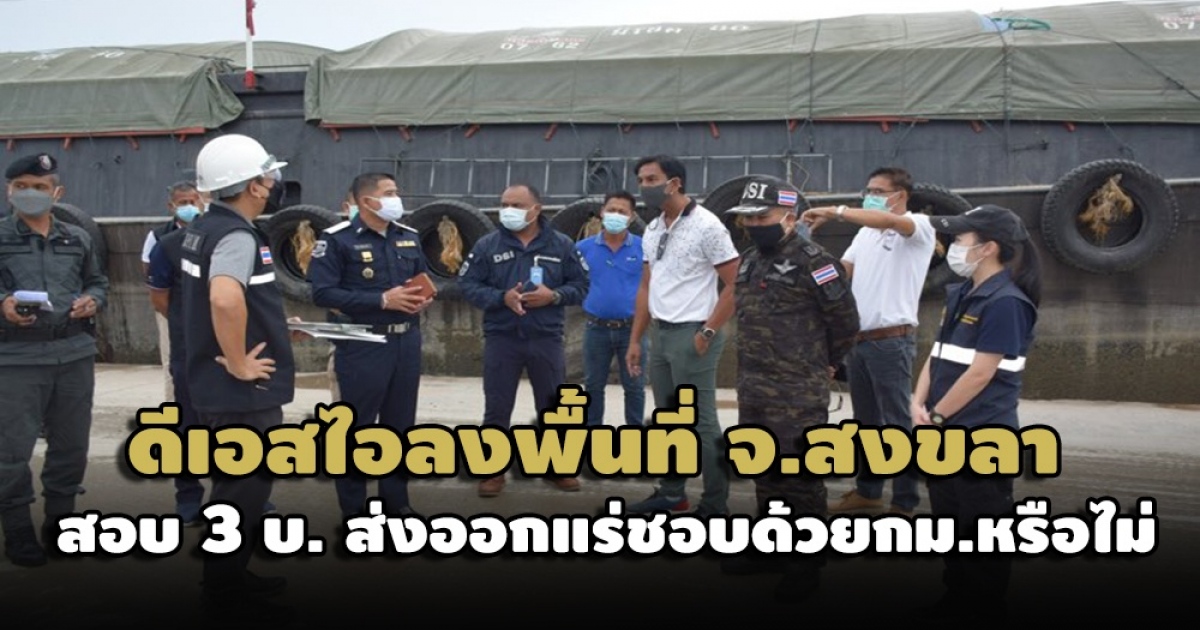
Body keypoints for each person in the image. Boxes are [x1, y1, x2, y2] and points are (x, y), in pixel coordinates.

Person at [719, 175, 859, 600]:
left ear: (789, 218)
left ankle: (806, 562)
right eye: (747, 219)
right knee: (765, 469)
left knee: (799, 476)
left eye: (762, 217)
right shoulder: (749, 260)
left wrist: (823, 364)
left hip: (797, 390)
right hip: (755, 386)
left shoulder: (815, 262)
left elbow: (846, 323)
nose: (753, 225)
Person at [180, 133, 296, 622]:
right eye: (267, 176)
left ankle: (228, 577)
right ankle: (223, 595)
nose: (273, 183)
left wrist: (274, 326)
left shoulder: (204, 228)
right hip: (241, 393)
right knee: (242, 492)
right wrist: (240, 362)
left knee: (236, 490)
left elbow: (232, 299)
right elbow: (224, 298)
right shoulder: (237, 236)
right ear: (253, 185)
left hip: (216, 386)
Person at [911, 204, 1041, 623]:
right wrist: (918, 401)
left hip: (982, 433)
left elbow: (981, 373)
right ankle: (957, 600)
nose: (951, 246)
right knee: (950, 521)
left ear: (988, 248)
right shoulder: (962, 293)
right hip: (944, 427)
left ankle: (983, 607)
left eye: (960, 239)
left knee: (983, 529)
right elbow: (939, 353)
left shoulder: (1007, 302)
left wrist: (937, 417)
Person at [801, 166, 936, 516]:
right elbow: (839, 273)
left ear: (900, 195)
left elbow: (888, 220)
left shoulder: (918, 226)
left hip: (891, 342)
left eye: (878, 191)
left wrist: (834, 211)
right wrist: (800, 248)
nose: (870, 196)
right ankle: (869, 491)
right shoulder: (864, 235)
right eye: (868, 191)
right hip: (858, 342)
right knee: (867, 423)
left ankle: (904, 501)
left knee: (897, 423)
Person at [0, 153, 108, 568]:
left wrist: (92, 300)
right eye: (22, 186)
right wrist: (4, 303)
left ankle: (61, 524)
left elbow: (97, 281)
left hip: (73, 354)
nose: (31, 193)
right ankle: (17, 531)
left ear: (56, 192)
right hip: (16, 359)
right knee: (11, 450)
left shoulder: (76, 238)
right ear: (9, 191)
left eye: (40, 187)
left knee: (71, 445)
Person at [308, 173, 434, 518]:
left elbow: (420, 277)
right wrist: (380, 299)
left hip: (406, 340)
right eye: (389, 193)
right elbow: (322, 292)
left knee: (399, 424)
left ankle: (396, 502)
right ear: (366, 201)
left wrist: (421, 298)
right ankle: (354, 508)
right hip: (363, 342)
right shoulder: (336, 240)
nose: (396, 198)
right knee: (357, 426)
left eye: (396, 191)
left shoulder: (408, 237)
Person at [623, 155, 740, 517]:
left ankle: (715, 504)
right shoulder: (653, 228)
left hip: (692, 334)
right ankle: (673, 493)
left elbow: (736, 284)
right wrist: (636, 339)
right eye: (641, 180)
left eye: (651, 179)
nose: (644, 187)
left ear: (674, 183)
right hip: (660, 334)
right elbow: (647, 286)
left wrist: (707, 332)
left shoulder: (707, 226)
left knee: (702, 422)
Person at [145, 203, 276, 527]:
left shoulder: (247, 237)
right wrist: (195, 327)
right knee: (190, 427)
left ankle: (241, 496)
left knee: (237, 431)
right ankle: (188, 499)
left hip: (238, 349)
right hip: (192, 353)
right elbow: (160, 299)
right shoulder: (168, 245)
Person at [458, 183, 589, 497]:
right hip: (503, 338)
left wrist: (554, 296)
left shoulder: (561, 245)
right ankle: (492, 472)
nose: (508, 210)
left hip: (546, 338)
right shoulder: (488, 245)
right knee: (497, 407)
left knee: (553, 407)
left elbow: (582, 285)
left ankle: (557, 468)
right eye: (504, 204)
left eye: (516, 205)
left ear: (536, 209)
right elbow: (467, 285)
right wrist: (500, 297)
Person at [575, 190, 646, 427]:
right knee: (593, 385)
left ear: (632, 216)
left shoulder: (643, 248)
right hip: (596, 328)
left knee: (634, 386)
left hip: (632, 331)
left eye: (622, 212)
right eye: (611, 210)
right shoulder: (583, 249)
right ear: (602, 212)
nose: (616, 215)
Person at [142, 181, 205, 403]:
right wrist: (177, 315)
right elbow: (152, 277)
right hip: (171, 309)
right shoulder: (159, 237)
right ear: (172, 206)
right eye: (183, 202)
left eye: (193, 201)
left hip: (202, 312)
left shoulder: (209, 232)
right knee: (173, 362)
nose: (189, 206)